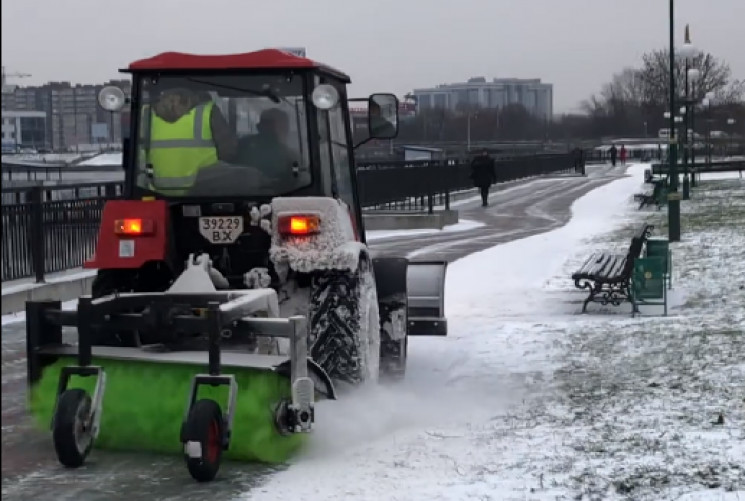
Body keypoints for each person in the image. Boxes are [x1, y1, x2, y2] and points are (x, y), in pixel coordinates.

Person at [143, 87, 238, 194]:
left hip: (155, 194)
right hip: (204, 193)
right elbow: (228, 151)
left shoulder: (146, 115)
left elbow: (138, 158)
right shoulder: (208, 112)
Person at [238, 107, 300, 180]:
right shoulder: (243, 147)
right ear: (260, 127)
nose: (284, 130)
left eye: (284, 126)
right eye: (278, 126)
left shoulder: (292, 157)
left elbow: (296, 176)